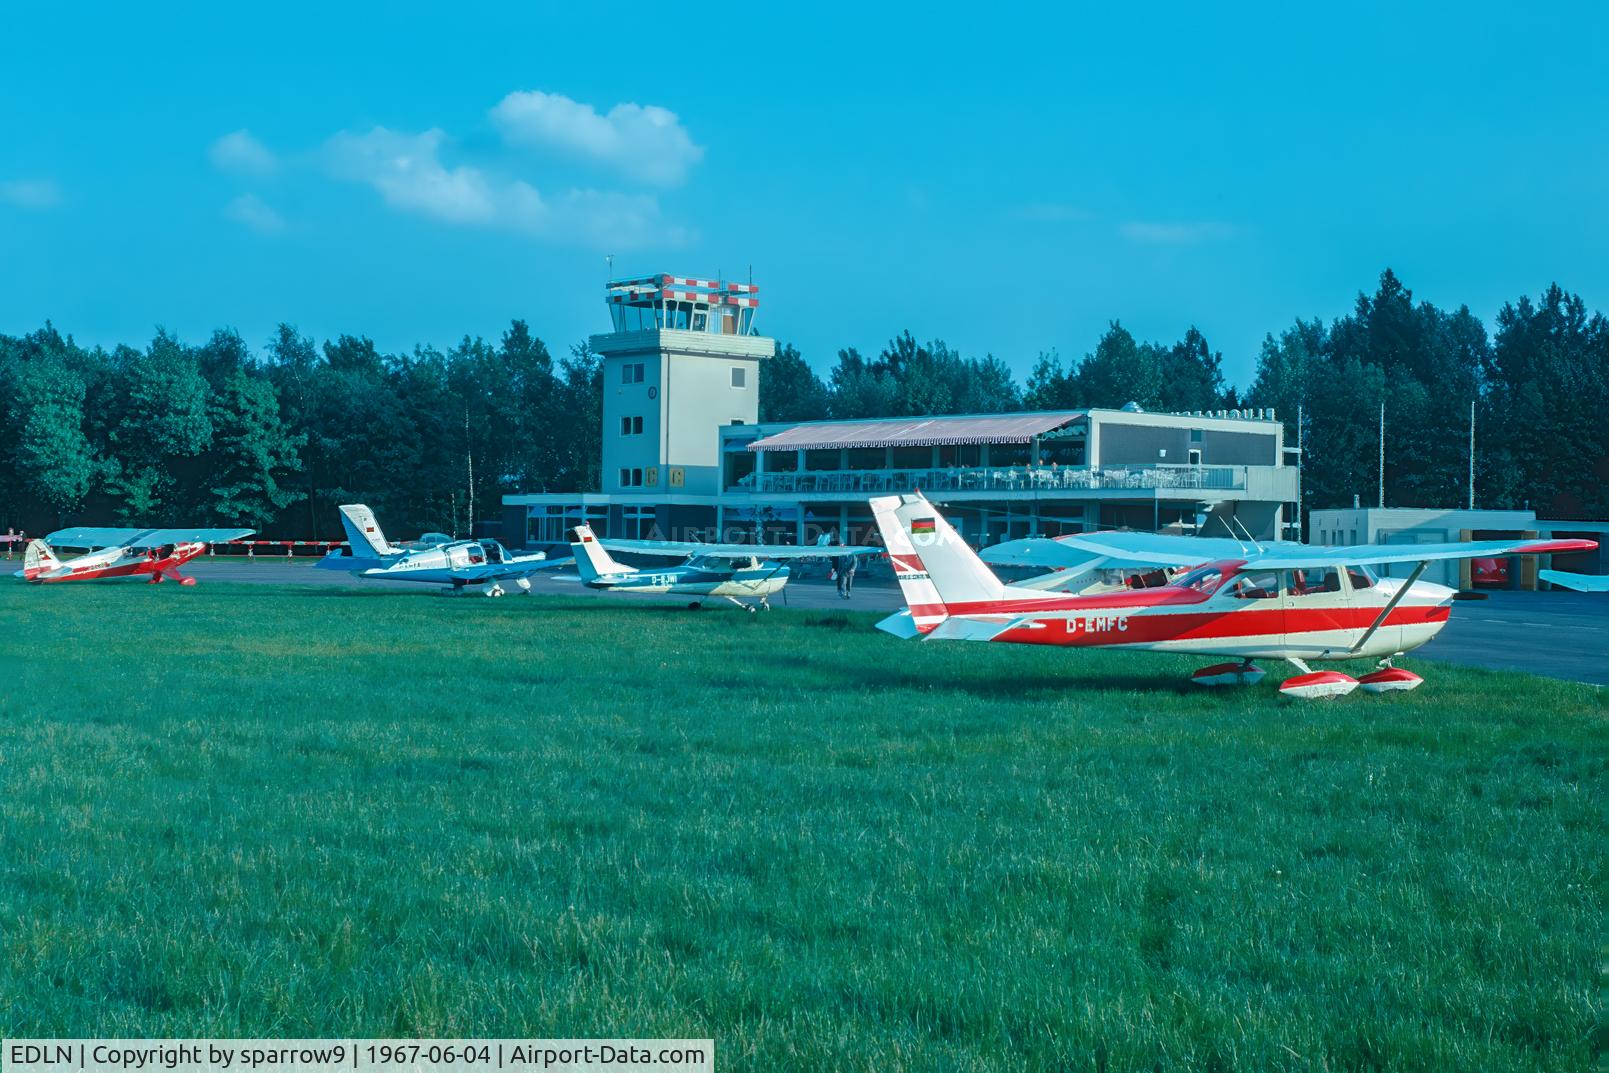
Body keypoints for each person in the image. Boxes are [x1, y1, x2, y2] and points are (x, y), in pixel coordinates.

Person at [833, 534, 857, 599]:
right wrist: (836, 569)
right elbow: (837, 562)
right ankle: (844, 593)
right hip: (842, 571)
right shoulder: (841, 554)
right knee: (843, 582)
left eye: (842, 545)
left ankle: (848, 592)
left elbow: (855, 562)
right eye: (840, 545)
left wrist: (852, 569)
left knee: (849, 583)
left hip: (849, 571)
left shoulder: (852, 554)